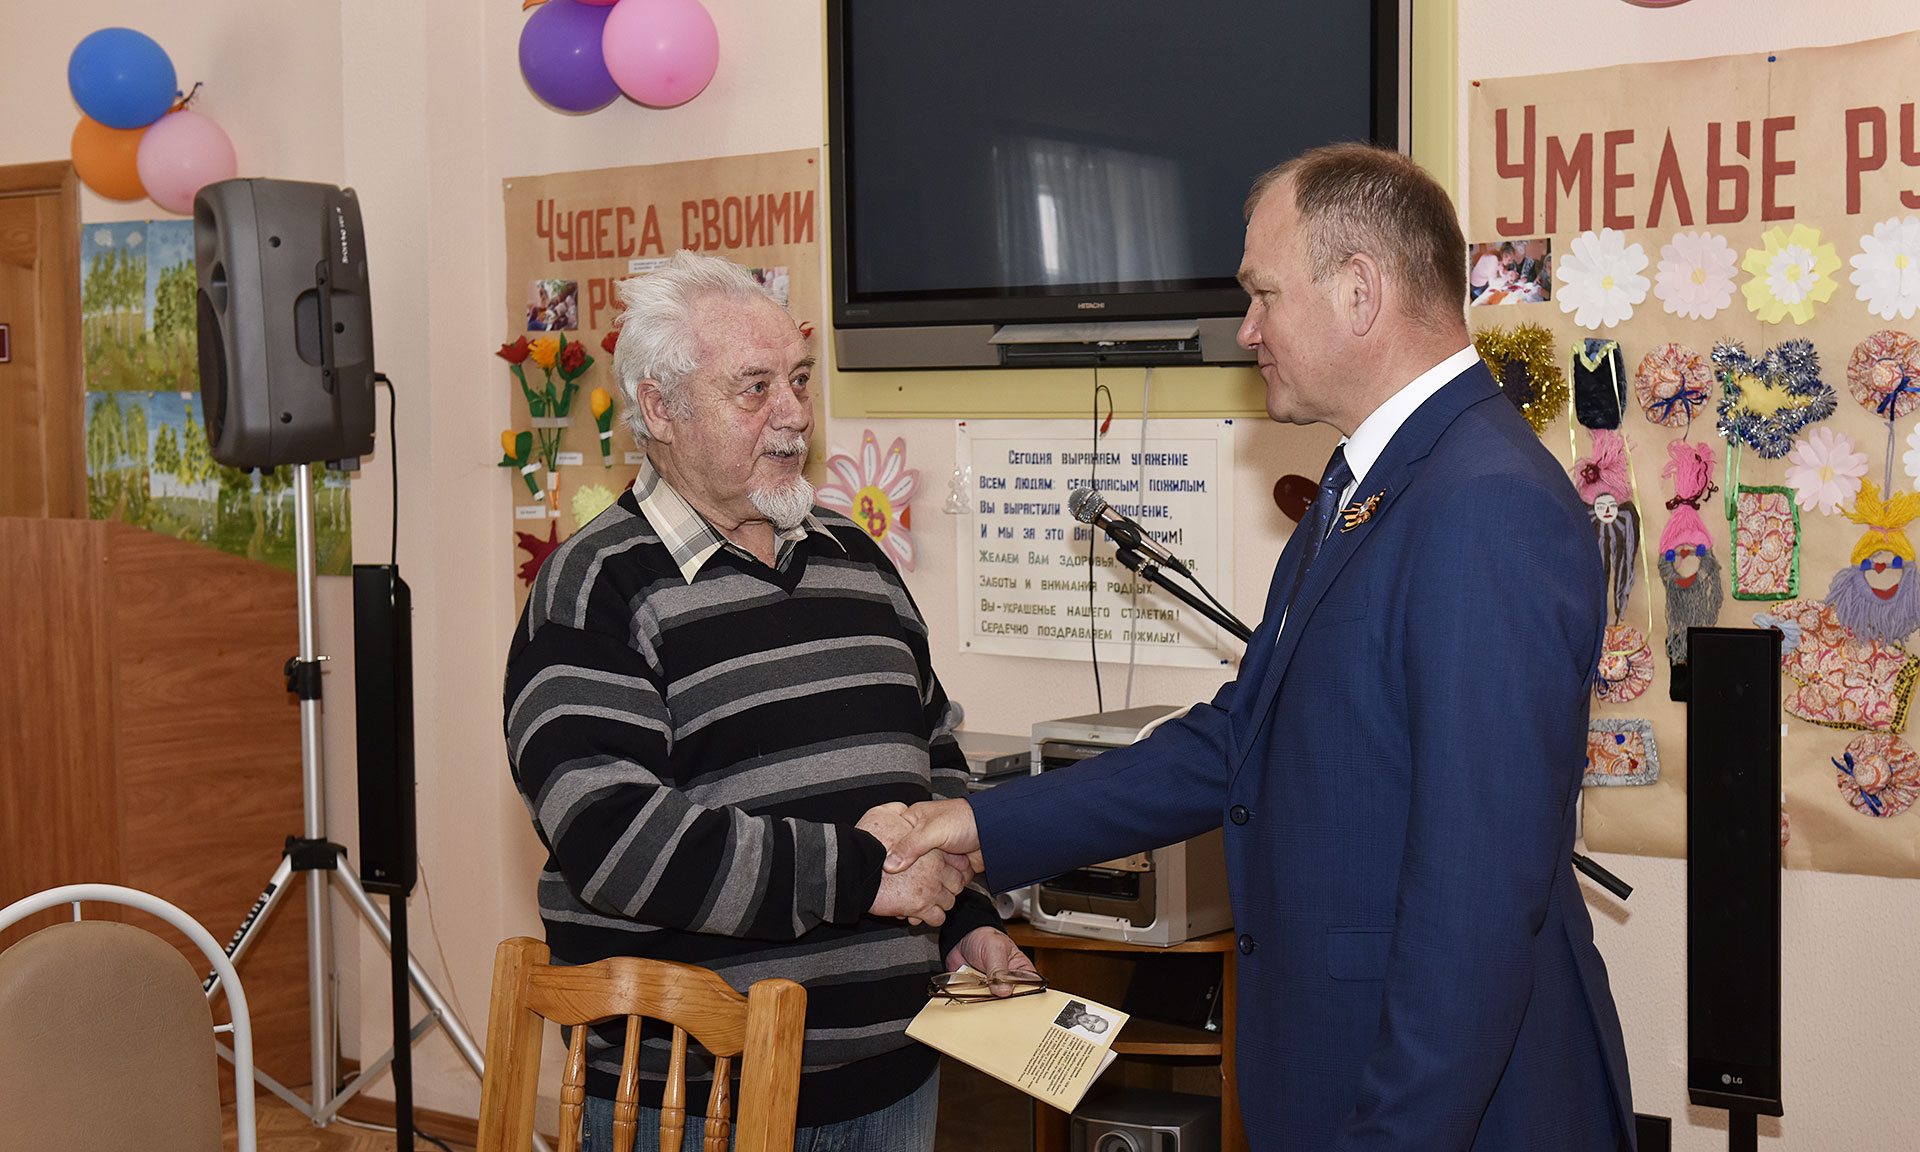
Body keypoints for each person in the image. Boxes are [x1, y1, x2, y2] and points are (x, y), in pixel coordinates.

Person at [876, 144, 1635, 1151]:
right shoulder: (1368, 484)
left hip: (1447, 1107)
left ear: (1359, 292)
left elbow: (1475, 906)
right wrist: (978, 824)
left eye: (1263, 294)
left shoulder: (1483, 504)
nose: (1245, 329)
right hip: (1344, 1067)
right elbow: (1243, 740)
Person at [503, 249, 1032, 1152]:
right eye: (755, 388)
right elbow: (614, 837)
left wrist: (964, 922)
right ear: (661, 410)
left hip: (895, 1078)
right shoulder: (594, 588)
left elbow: (935, 754)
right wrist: (865, 873)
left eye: (799, 380)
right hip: (685, 1103)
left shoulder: (859, 562)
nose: (793, 415)